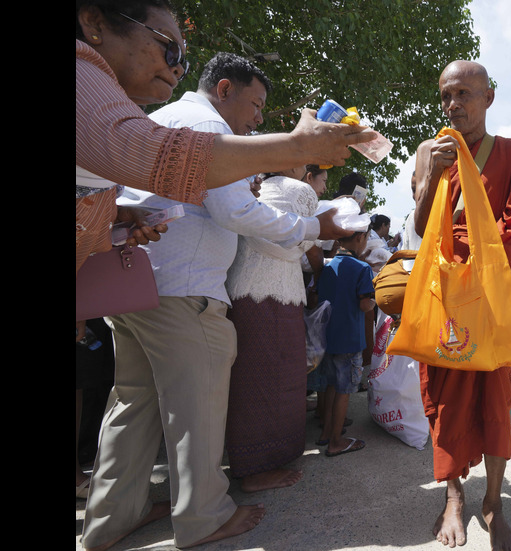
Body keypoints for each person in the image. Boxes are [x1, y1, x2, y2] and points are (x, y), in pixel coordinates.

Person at [79, 47, 362, 550]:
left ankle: (113, 515)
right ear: (225, 90)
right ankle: (204, 516)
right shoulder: (208, 129)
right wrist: (313, 225)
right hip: (186, 294)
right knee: (199, 409)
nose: (257, 120)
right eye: (255, 107)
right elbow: (237, 213)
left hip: (138, 287)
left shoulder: (161, 117)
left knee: (132, 407)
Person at [75, 1, 373, 275]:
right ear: (94, 24)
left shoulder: (113, 110)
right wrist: (299, 147)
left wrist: (118, 215)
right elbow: (166, 157)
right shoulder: (82, 74)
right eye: (168, 47)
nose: (177, 67)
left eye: (183, 61)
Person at [413, 59, 511, 551]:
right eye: (447, 95)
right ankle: (453, 498)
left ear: (489, 97)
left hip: (487, 294)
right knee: (444, 398)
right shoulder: (431, 149)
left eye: (465, 94)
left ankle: (493, 501)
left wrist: (480, 267)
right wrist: (436, 173)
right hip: (443, 292)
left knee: (494, 398)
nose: (455, 105)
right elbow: (422, 221)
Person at [223, 164, 321, 493]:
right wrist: (312, 235)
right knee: (270, 380)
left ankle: (257, 460)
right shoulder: (298, 191)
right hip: (272, 297)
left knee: (257, 380)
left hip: (248, 292)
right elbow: (288, 245)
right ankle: (256, 468)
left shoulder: (255, 188)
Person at [309, 231, 375, 456]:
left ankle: (326, 433)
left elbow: (316, 297)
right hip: (349, 338)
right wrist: (375, 300)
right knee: (344, 389)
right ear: (359, 239)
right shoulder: (362, 268)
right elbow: (365, 305)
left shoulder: (326, 267)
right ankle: (336, 441)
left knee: (329, 386)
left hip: (327, 337)